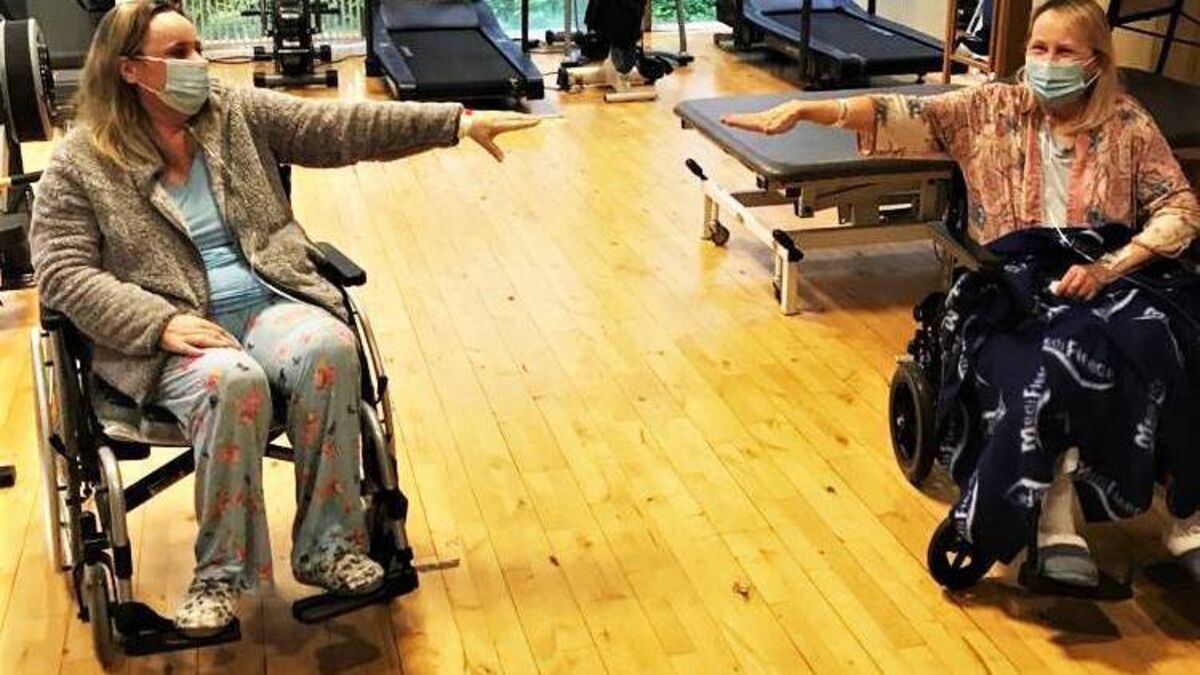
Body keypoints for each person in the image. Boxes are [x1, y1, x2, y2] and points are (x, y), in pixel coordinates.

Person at [29, 0, 538, 636]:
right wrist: (156, 323)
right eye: (180, 53)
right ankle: (220, 576)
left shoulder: (231, 113)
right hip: (173, 327)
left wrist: (455, 123)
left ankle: (328, 549)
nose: (199, 63)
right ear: (130, 69)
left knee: (330, 347)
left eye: (198, 47)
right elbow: (63, 273)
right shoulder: (81, 162)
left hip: (268, 300)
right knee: (232, 382)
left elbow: (340, 127)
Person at [724, 0, 1200, 586]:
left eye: (1065, 52)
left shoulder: (1127, 124)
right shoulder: (990, 109)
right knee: (1062, 354)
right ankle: (1055, 511)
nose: (1047, 63)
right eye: (1039, 48)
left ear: (1096, 62)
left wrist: (1110, 265)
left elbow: (1180, 207)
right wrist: (807, 110)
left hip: (1106, 271)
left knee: (1174, 336)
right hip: (1010, 280)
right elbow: (898, 112)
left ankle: (1186, 513)